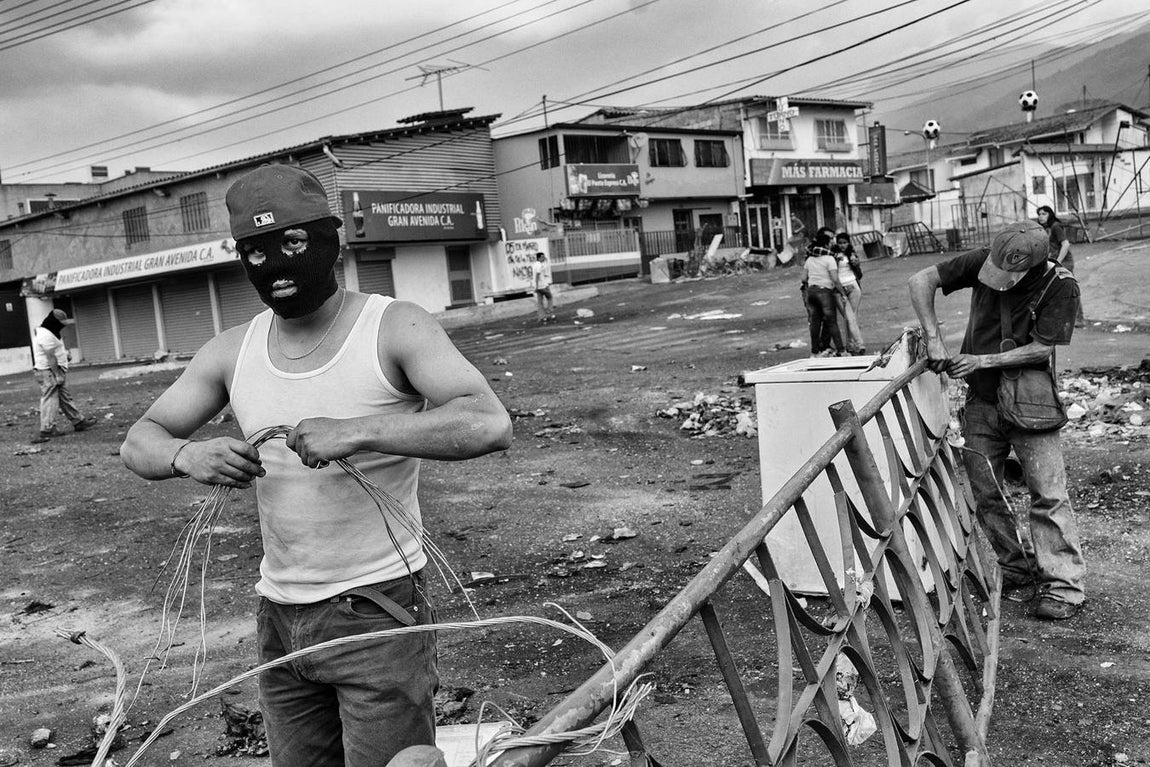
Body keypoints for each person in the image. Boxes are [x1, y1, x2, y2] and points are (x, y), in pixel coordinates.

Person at [120, 164, 513, 766]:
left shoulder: (393, 326)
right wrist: (185, 454)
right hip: (278, 614)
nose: (275, 265)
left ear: (331, 238)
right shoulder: (233, 349)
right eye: (253, 252)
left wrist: (358, 431)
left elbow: (487, 423)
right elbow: (139, 440)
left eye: (293, 243)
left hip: (376, 610)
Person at [908, 220, 1085, 620]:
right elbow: (921, 280)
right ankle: (1016, 566)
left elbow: (1041, 350)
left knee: (1048, 493)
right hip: (982, 399)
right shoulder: (982, 261)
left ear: (1036, 265)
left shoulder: (1060, 284)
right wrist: (933, 336)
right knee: (985, 489)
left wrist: (982, 360)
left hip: (1030, 399)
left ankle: (1063, 585)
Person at [31, 308, 95, 443]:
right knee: (50, 399)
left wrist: (65, 355)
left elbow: (55, 351)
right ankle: (47, 429)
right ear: (54, 322)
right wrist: (57, 375)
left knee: (64, 397)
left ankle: (78, 421)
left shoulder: (50, 332)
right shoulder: (46, 335)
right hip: (49, 371)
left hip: (51, 370)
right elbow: (50, 356)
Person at [1036, 205, 1086, 327]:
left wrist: (1058, 261)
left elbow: (1065, 244)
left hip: (1064, 262)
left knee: (1069, 288)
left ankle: (1079, 318)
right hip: (1054, 263)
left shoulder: (1055, 226)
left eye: (1044, 214)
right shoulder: (1045, 229)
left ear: (1050, 214)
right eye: (1039, 214)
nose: (1040, 216)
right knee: (1054, 290)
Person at [802, 228, 845, 357]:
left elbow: (803, 278)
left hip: (811, 292)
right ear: (826, 245)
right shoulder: (829, 259)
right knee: (831, 322)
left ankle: (814, 352)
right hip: (825, 292)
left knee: (815, 323)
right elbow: (835, 279)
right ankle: (842, 350)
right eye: (830, 242)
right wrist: (842, 293)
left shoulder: (809, 260)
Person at [833, 232, 865, 354]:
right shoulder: (833, 255)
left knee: (852, 317)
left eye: (844, 243)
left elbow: (859, 275)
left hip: (853, 286)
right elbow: (832, 273)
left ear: (848, 243)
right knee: (849, 317)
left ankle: (851, 345)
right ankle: (859, 344)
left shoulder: (852, 253)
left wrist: (856, 264)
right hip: (840, 289)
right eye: (840, 243)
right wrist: (835, 261)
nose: (842, 245)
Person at [532, 251, 555, 322]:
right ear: (538, 258)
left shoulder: (535, 264)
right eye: (542, 257)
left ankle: (543, 316)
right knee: (550, 297)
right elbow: (537, 275)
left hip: (538, 287)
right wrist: (537, 285)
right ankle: (550, 312)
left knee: (540, 302)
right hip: (543, 285)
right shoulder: (539, 265)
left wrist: (535, 286)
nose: (543, 258)